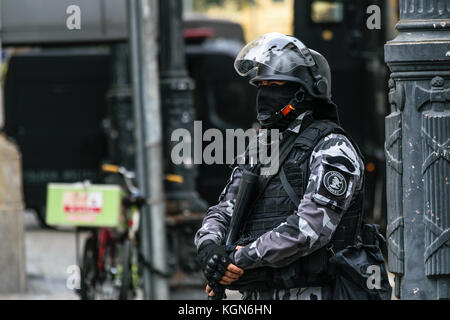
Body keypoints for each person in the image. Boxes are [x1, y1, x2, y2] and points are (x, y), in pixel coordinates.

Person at [194, 32, 365, 300]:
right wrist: (209, 248)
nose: (264, 95)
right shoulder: (262, 145)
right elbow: (225, 209)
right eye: (260, 86)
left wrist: (240, 257)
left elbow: (310, 229)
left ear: (302, 93)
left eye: (274, 86)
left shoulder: (332, 148)